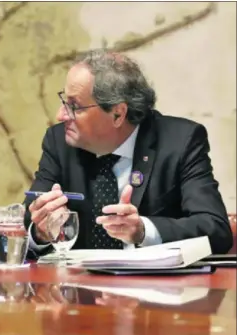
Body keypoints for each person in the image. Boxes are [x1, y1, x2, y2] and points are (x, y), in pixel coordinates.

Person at [25, 49, 232, 257]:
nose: (60, 115)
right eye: (64, 102)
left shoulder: (180, 142)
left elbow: (216, 230)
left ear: (118, 114)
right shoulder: (59, 142)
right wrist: (41, 233)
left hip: (155, 287)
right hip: (79, 286)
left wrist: (143, 231)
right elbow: (24, 227)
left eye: (75, 106)